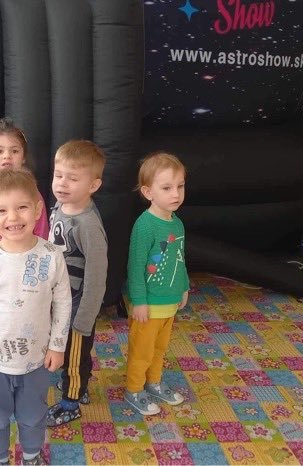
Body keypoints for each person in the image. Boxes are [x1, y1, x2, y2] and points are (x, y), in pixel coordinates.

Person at [0, 169, 72, 466]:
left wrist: (57, 346)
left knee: (34, 416)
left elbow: (63, 304)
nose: (13, 217)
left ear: (37, 210)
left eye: (22, 207)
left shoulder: (52, 256)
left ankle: (32, 456)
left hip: (36, 361)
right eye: (2, 210)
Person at [45, 140, 108, 427]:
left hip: (77, 308)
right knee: (74, 354)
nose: (62, 183)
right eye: (58, 175)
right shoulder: (60, 206)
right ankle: (80, 383)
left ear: (93, 185)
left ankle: (71, 403)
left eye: (72, 178)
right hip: (60, 300)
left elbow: (96, 276)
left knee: (73, 354)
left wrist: (84, 318)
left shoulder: (88, 225)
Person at [124, 151, 189, 416]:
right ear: (148, 192)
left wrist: (184, 287)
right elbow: (135, 266)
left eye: (180, 186)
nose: (176, 194)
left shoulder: (177, 223)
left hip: (169, 303)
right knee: (142, 350)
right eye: (167, 188)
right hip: (148, 306)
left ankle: (153, 382)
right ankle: (133, 389)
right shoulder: (145, 225)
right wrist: (139, 301)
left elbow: (179, 259)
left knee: (160, 349)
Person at [0, 118, 49, 257]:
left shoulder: (32, 192)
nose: (7, 156)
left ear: (23, 157)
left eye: (14, 151)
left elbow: (42, 232)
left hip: (27, 262)